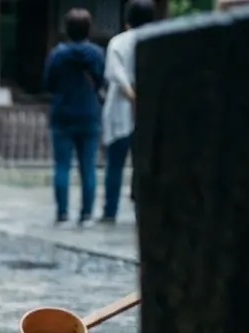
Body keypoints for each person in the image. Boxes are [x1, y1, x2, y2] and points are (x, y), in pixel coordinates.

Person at [43, 8, 106, 226]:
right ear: (89, 29)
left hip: (62, 113)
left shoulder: (57, 54)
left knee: (62, 166)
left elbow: (48, 83)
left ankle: (62, 213)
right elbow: (100, 81)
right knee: (88, 166)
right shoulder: (96, 54)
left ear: (67, 29)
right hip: (88, 113)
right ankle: (86, 213)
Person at [101, 0, 156, 224]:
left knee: (115, 164)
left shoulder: (118, 42)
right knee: (143, 166)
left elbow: (115, 73)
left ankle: (110, 210)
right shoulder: (157, 41)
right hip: (150, 109)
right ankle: (142, 209)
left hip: (121, 108)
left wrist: (131, 94)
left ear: (127, 20)